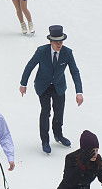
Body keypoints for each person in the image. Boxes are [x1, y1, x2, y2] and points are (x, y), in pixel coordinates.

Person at [20, 25, 83, 154]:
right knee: (45, 112)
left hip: (58, 86)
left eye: (61, 42)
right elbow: (30, 66)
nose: (59, 45)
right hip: (43, 86)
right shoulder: (41, 51)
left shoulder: (67, 53)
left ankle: (58, 135)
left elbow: (75, 72)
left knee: (59, 112)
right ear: (50, 41)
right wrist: (23, 84)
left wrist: (79, 92)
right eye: (56, 42)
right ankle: (45, 140)